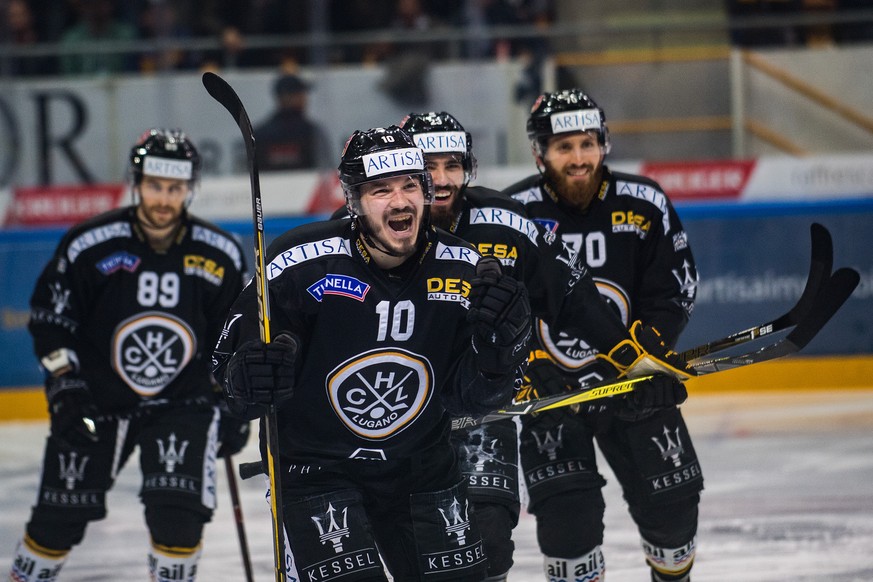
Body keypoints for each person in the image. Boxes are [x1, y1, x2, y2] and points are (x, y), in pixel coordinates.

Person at [211, 125, 533, 581]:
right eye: (381, 190)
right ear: (353, 202)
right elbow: (230, 373)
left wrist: (502, 347)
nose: (399, 202)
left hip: (422, 468)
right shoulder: (296, 262)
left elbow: (472, 400)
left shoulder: (467, 268)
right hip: (315, 469)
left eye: (409, 186)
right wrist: (248, 379)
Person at [398, 111, 695, 581]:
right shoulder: (358, 230)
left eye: (451, 164)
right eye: (425, 166)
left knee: (487, 544)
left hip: (484, 407)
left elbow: (575, 299)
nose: (440, 179)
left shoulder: (505, 221)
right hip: (393, 420)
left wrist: (638, 359)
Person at [9, 128, 249, 582]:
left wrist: (235, 407)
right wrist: (65, 386)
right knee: (55, 524)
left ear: (189, 189)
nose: (164, 199)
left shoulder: (218, 253)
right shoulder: (90, 243)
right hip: (96, 402)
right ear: (136, 183)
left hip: (184, 405)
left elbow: (234, 337)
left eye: (175, 189)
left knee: (178, 522)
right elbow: (51, 320)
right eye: (155, 186)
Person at [502, 89, 702, 582]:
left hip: (634, 386)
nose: (578, 158)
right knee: (569, 532)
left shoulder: (645, 202)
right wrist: (529, 364)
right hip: (554, 397)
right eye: (563, 147)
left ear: (604, 144)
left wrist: (653, 347)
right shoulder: (511, 214)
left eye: (587, 144)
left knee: (675, 520)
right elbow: (497, 308)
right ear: (539, 152)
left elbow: (676, 289)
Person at [252, 72, 330, 171]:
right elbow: (325, 168)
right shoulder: (312, 132)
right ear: (285, 97)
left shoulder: (259, 134)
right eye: (300, 93)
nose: (304, 98)